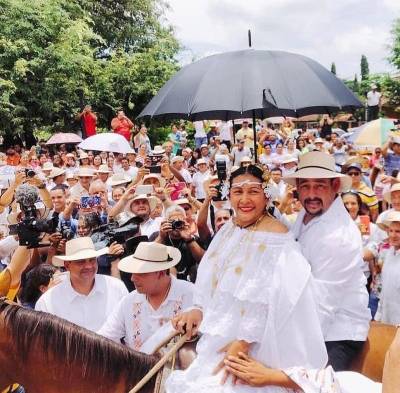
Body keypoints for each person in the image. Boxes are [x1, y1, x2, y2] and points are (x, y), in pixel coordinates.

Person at [167, 164, 327, 393]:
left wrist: (243, 341)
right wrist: (198, 308)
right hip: (218, 335)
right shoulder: (228, 229)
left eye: (253, 191)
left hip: (259, 344)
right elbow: (211, 277)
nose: (245, 199)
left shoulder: (278, 238)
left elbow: (280, 297)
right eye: (238, 192)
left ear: (266, 195)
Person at [285, 151, 371, 371]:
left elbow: (322, 305)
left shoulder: (338, 236)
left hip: (337, 332)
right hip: (308, 318)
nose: (311, 194)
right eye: (305, 186)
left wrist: (292, 343)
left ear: (335, 186)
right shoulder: (307, 216)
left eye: (319, 186)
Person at [98, 242, 194, 351]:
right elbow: (104, 337)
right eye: (133, 272)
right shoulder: (128, 302)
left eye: (141, 273)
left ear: (160, 272)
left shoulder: (191, 295)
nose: (133, 278)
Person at [35, 237, 127, 331]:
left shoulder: (117, 288)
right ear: (67, 265)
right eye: (80, 261)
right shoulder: (47, 302)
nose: (88, 266)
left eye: (92, 260)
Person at [154, 205, 205, 282]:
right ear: (166, 222)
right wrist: (161, 237)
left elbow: (204, 260)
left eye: (179, 221)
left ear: (185, 221)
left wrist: (189, 239)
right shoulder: (158, 235)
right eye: (173, 221)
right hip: (165, 281)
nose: (176, 224)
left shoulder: (193, 238)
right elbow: (148, 256)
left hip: (190, 280)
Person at [375, 211, 400, 325]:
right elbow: (385, 288)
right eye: (391, 231)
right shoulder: (389, 253)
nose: (393, 235)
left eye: (398, 231)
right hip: (387, 318)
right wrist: (379, 315)